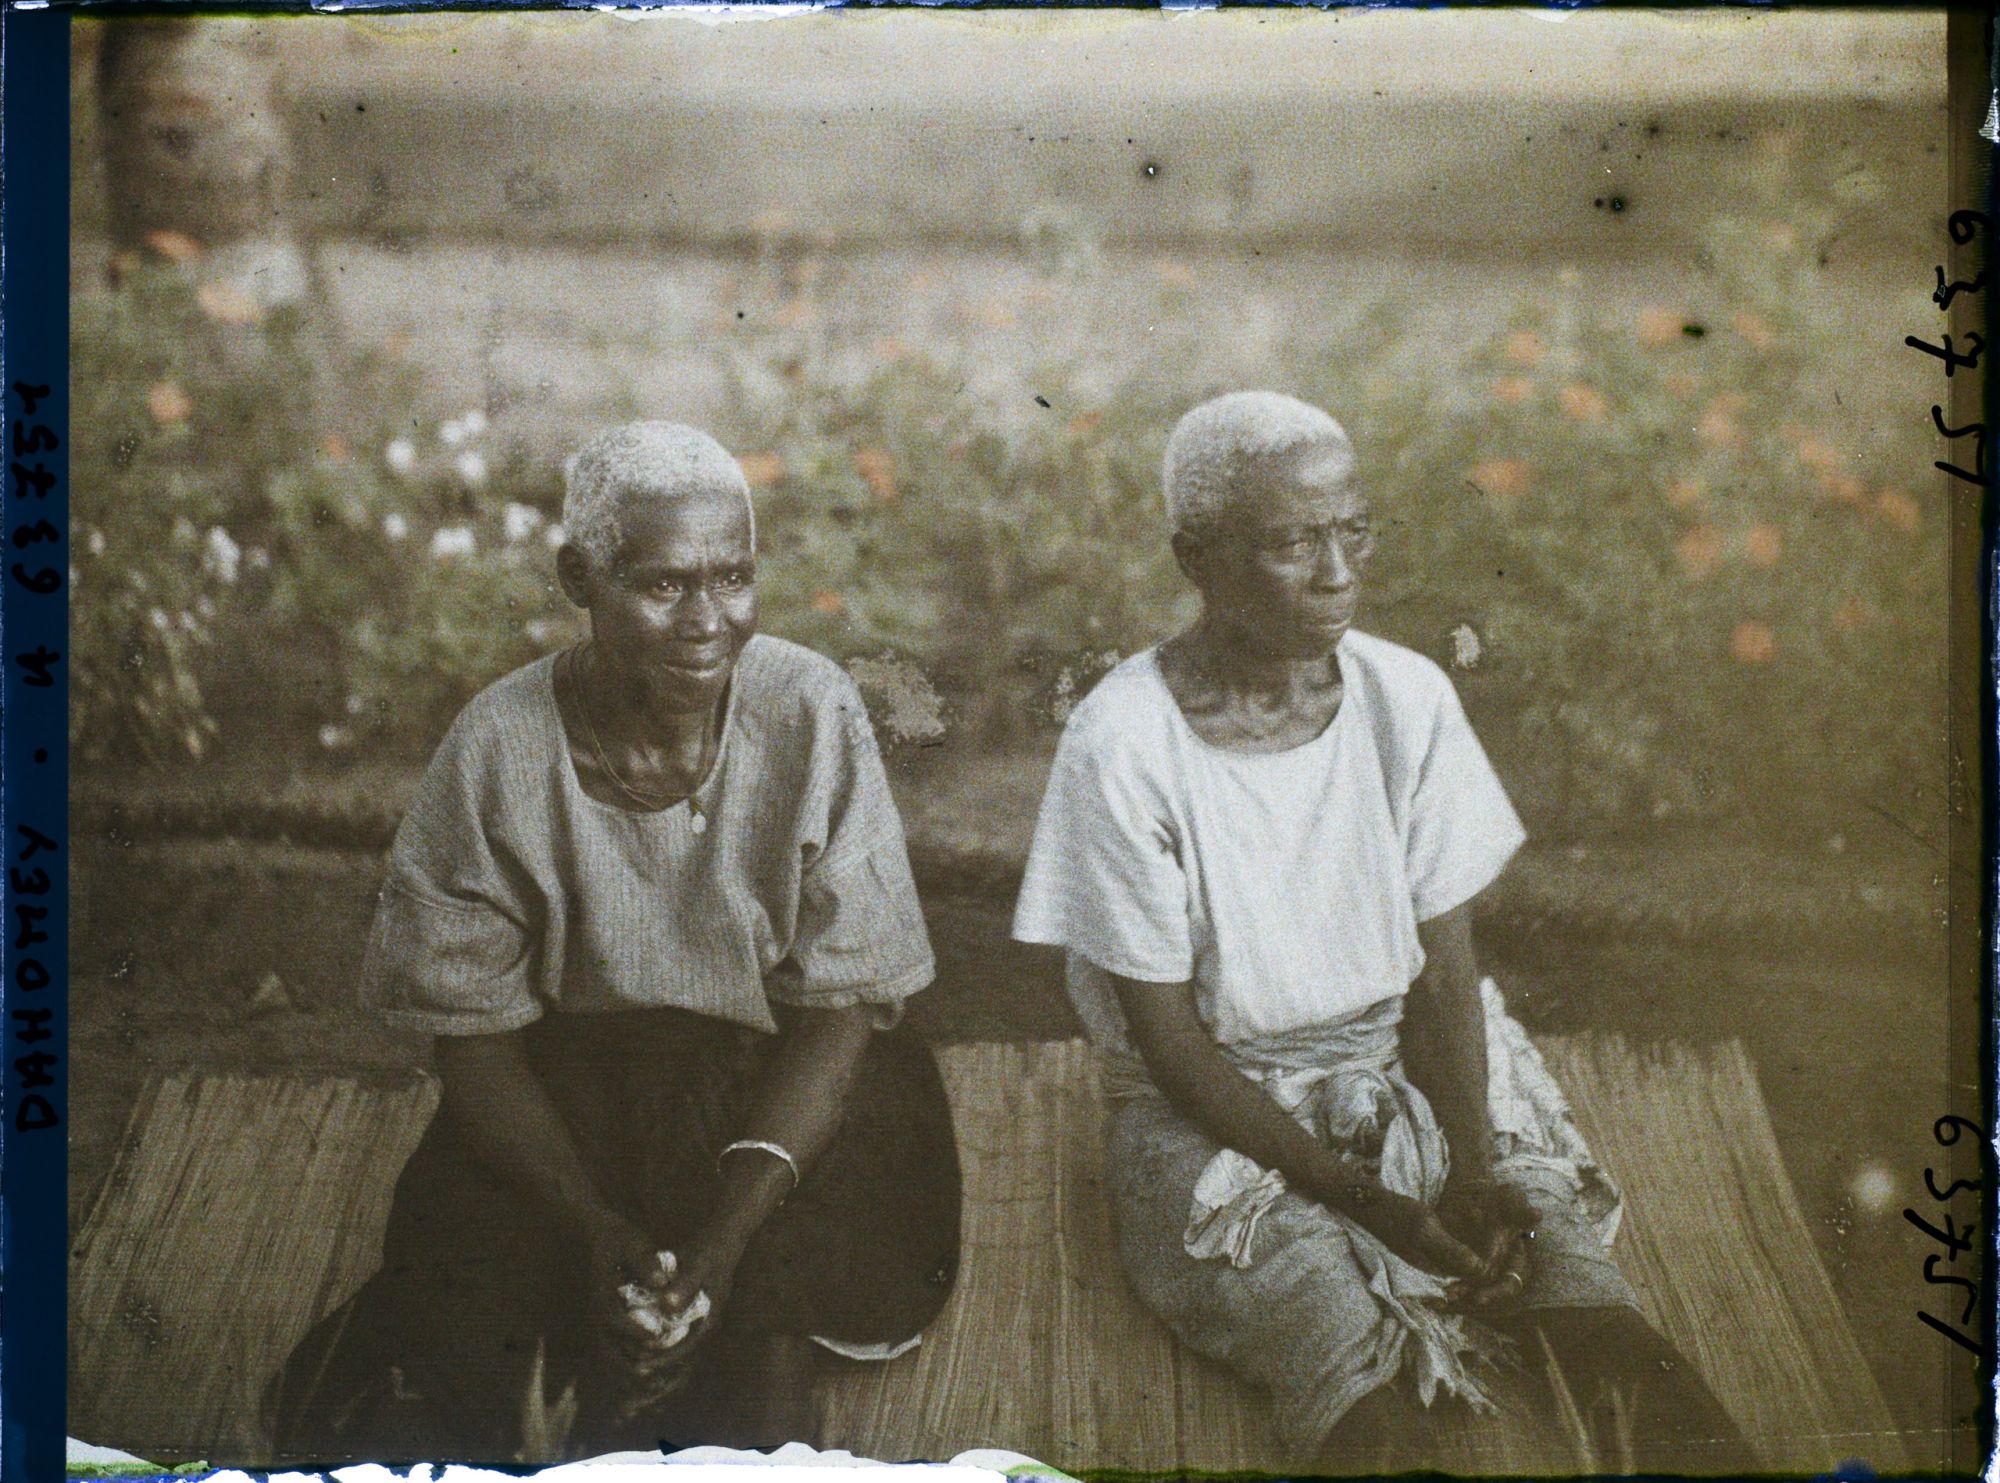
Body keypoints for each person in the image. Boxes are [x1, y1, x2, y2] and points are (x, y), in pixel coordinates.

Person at [1011, 391, 1751, 1474]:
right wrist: (1371, 1204)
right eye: (1290, 542)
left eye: (1351, 530)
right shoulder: (1122, 743)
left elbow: (1445, 978)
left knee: (1572, 1288)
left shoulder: (1404, 696)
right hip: (1218, 1108)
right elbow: (1169, 1047)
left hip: (1411, 1056)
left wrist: (1466, 1155)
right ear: (1197, 555)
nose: (1335, 571)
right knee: (1328, 1330)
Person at [270, 422, 961, 1464]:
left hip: (775, 1076)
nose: (707, 621)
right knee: (478, 1304)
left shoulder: (809, 709)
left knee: (767, 1335)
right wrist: (597, 1232)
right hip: (579, 1085)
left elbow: (839, 1007)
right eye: (662, 584)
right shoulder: (499, 747)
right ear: (578, 578)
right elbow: (473, 1040)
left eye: (733, 577)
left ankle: (736, 1376)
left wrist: (724, 1245)